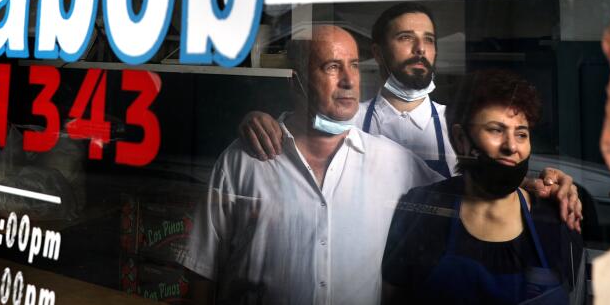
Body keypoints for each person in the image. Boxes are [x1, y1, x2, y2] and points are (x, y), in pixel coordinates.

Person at [239, 3, 582, 229]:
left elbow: (492, 182)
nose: (420, 49)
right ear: (378, 52)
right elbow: (295, 137)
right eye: (406, 38)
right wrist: (259, 120)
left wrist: (545, 185)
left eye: (428, 40)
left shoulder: (463, 128)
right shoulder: (346, 120)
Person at [183, 25, 441, 305]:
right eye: (331, 67)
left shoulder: (394, 162)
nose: (348, 80)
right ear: (296, 82)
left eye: (353, 66)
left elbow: (460, 204)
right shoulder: (243, 161)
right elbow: (202, 271)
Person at [381, 69, 586, 304]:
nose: (511, 146)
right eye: (496, 130)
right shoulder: (422, 210)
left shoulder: (554, 217)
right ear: (461, 139)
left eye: (521, 134)